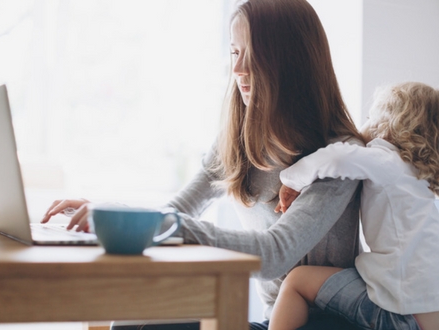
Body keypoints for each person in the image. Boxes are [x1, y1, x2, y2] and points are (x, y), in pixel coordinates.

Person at [41, 0, 364, 329]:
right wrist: (114, 216)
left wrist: (158, 223)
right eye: (234, 52)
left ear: (292, 60)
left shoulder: (343, 157)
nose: (238, 70)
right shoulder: (239, 139)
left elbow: (273, 254)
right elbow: (176, 210)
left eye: (252, 53)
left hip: (328, 322)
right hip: (272, 322)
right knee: (132, 324)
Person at [269, 82, 439, 330]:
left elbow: (337, 157)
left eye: (370, 117)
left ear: (387, 125)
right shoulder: (419, 178)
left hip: (400, 313)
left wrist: (291, 180)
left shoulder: (386, 160)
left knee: (296, 281)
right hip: (430, 314)